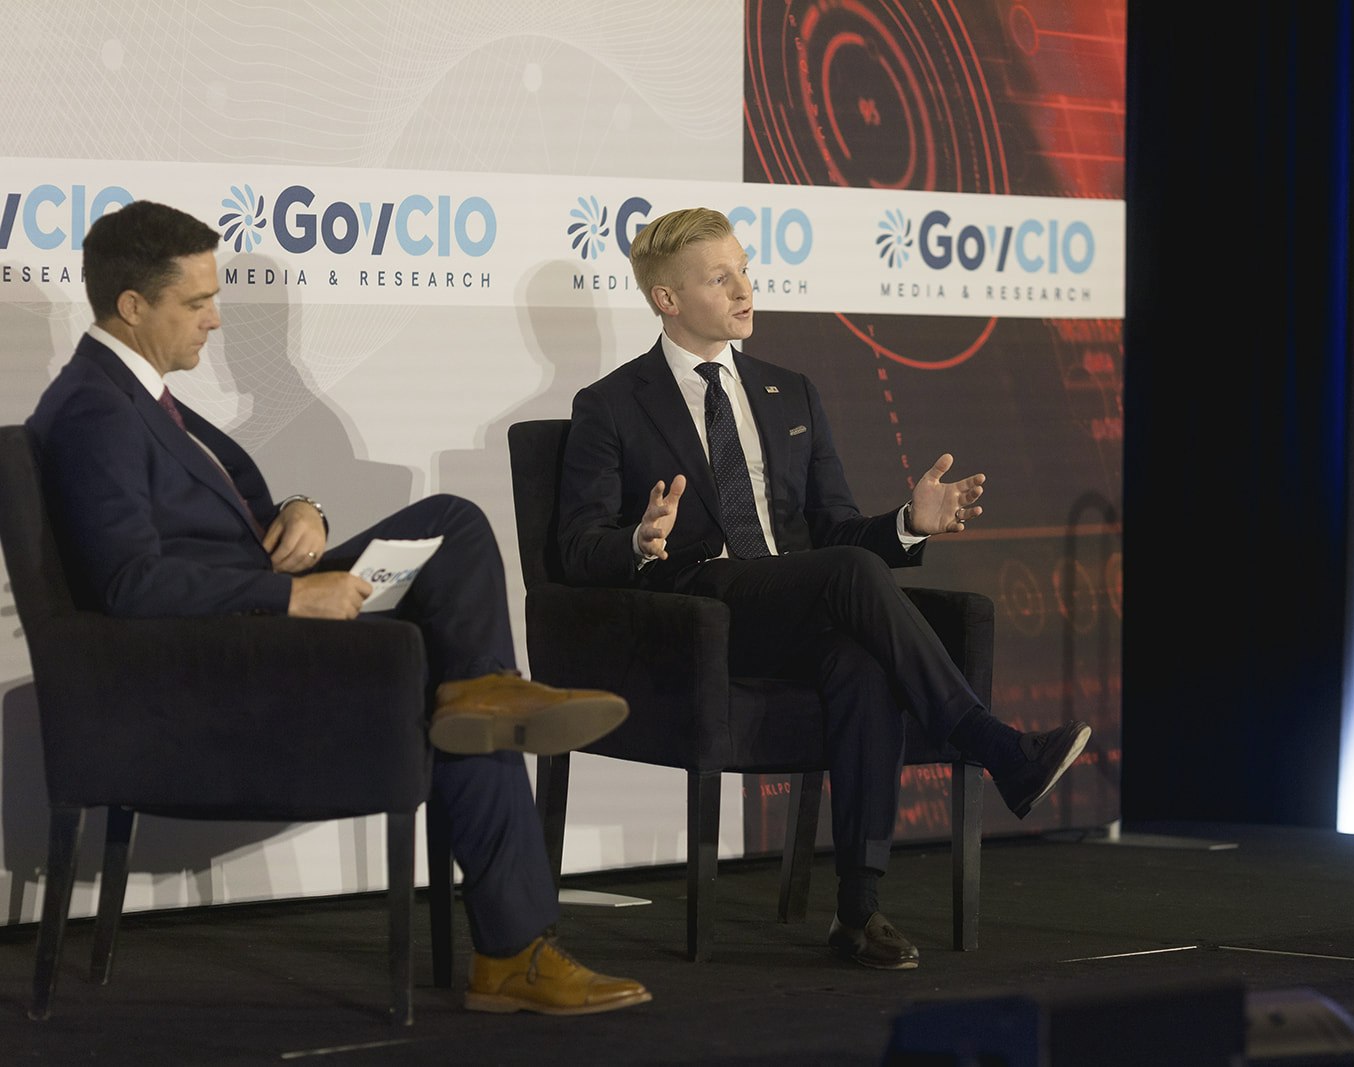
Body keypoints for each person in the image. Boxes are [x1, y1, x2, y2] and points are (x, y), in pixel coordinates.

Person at [26, 200, 649, 1016]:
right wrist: (291, 593)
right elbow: (130, 583)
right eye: (197, 302)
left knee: (453, 532)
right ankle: (512, 949)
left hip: (257, 619)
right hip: (227, 658)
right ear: (133, 305)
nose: (216, 320)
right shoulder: (94, 409)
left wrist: (301, 510)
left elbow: (223, 514)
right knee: (455, 689)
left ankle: (486, 695)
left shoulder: (138, 394)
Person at [558, 207, 1092, 970]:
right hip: (697, 615)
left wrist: (907, 523)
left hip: (793, 603)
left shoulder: (791, 392)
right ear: (666, 299)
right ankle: (991, 742)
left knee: (861, 660)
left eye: (744, 269)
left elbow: (836, 530)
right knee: (846, 579)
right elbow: (576, 546)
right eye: (720, 278)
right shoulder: (611, 404)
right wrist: (638, 541)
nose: (745, 288)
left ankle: (858, 908)